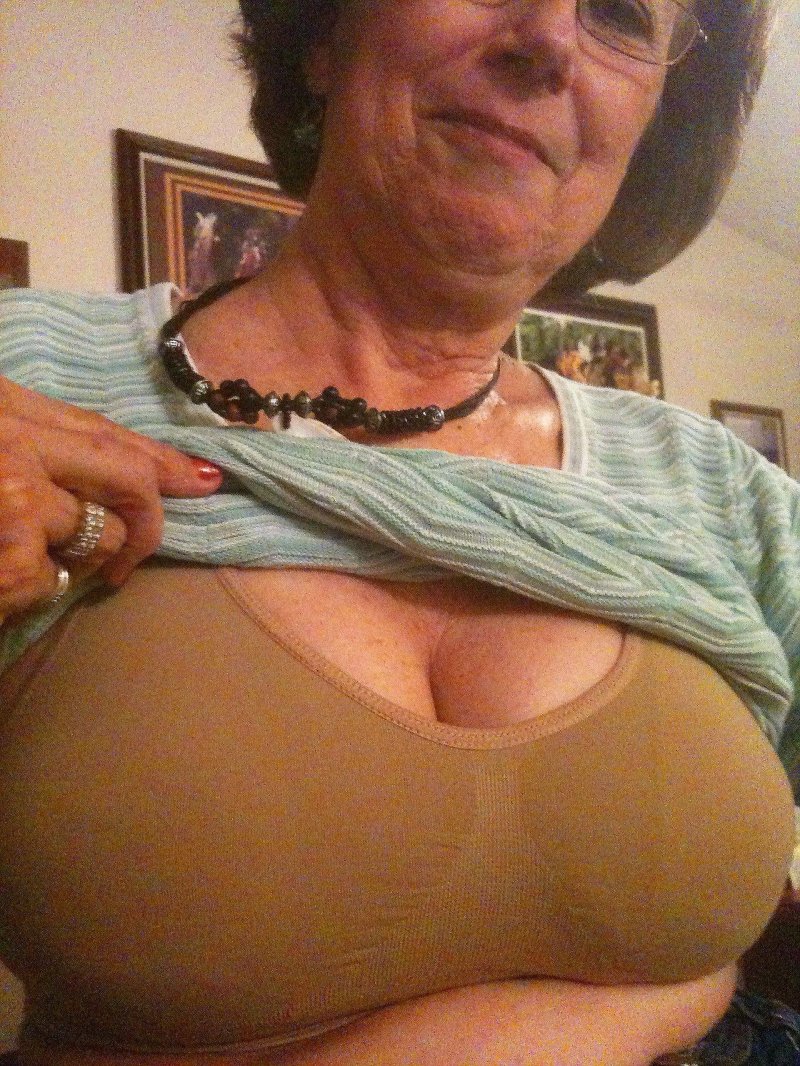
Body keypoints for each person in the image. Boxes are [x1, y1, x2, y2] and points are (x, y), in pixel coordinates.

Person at [0, 1, 798, 1064]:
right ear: (324, 37)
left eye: (619, 13)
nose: (547, 40)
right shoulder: (21, 386)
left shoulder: (727, 494)